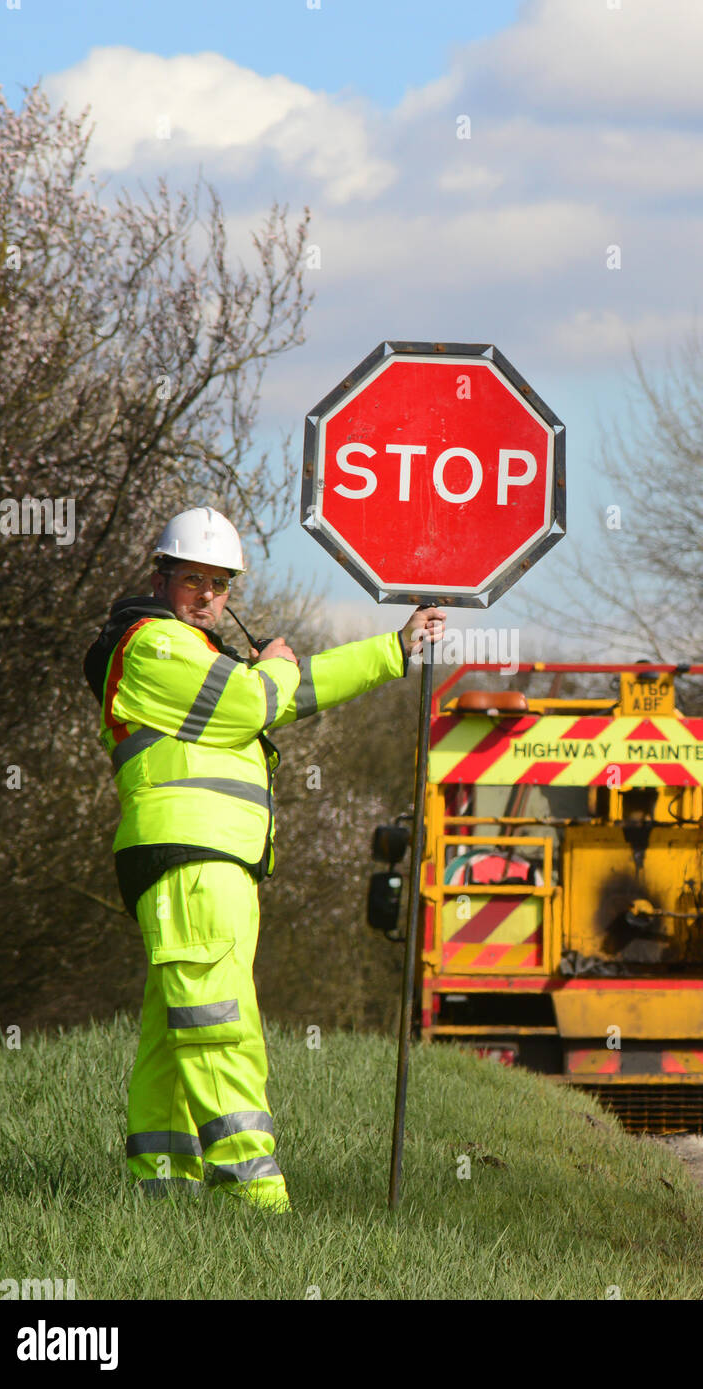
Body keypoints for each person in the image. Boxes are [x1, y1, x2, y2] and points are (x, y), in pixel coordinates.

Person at [84, 506, 446, 1209]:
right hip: (195, 857)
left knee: (174, 1029)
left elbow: (271, 695)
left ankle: (160, 1190)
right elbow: (253, 703)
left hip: (199, 857)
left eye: (221, 585)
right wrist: (273, 667)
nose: (209, 596)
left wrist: (392, 651)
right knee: (222, 1023)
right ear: (162, 577)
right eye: (195, 580)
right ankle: (257, 1196)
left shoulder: (185, 648)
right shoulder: (155, 644)